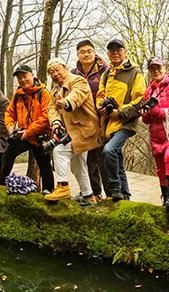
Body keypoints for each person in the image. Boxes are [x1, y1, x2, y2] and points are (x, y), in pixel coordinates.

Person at [45, 58, 101, 203]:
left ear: (65, 68)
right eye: (51, 72)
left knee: (59, 151)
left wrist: (66, 102)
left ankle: (62, 186)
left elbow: (77, 95)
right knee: (78, 165)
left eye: (57, 70)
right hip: (73, 132)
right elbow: (51, 109)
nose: (55, 74)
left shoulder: (78, 80)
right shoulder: (55, 90)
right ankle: (89, 196)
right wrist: (56, 123)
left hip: (84, 129)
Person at [96, 38, 146, 201]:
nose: (115, 53)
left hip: (125, 123)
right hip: (108, 123)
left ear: (125, 52)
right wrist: (102, 107)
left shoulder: (134, 72)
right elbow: (100, 95)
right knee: (116, 156)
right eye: (112, 51)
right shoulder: (105, 74)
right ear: (108, 54)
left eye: (119, 50)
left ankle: (115, 188)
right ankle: (126, 196)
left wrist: (120, 112)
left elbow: (140, 99)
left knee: (109, 151)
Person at [0, 65, 54, 193]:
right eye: (19, 77)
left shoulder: (43, 93)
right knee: (8, 154)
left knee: (44, 164)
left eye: (24, 76)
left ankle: (48, 190)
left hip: (39, 135)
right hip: (22, 134)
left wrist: (28, 132)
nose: (22, 80)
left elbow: (46, 118)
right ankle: (1, 182)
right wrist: (10, 126)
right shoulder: (18, 94)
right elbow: (9, 112)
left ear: (32, 75)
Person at [140, 56, 169, 209]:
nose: (156, 71)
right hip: (156, 136)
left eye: (158, 67)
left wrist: (159, 111)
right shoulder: (149, 91)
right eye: (152, 68)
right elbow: (146, 120)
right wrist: (145, 113)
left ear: (164, 68)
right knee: (160, 167)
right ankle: (165, 197)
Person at [71, 40, 110, 200]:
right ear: (78, 55)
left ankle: (111, 194)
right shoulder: (73, 73)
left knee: (105, 157)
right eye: (82, 52)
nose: (86, 54)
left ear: (94, 52)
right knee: (89, 159)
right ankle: (94, 192)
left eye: (89, 51)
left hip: (103, 119)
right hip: (83, 122)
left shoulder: (105, 71)